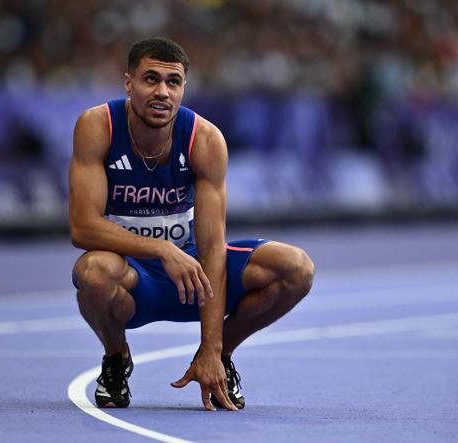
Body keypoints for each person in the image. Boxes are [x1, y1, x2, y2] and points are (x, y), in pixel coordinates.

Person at [69, 37, 315, 411]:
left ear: (184, 87)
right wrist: (161, 249)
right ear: (128, 83)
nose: (162, 92)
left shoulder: (205, 139)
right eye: (150, 79)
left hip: (194, 276)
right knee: (93, 272)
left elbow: (213, 248)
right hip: (133, 279)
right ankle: (116, 357)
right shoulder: (97, 126)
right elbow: (83, 228)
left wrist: (212, 346)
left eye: (173, 82)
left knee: (296, 268)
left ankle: (220, 358)